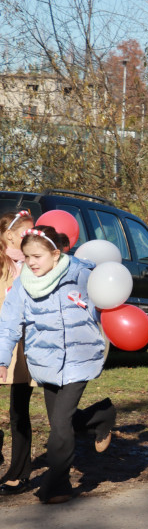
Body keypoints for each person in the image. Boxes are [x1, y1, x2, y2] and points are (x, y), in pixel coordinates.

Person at [0, 225, 116, 504]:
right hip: (46, 361)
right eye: (27, 256)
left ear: (55, 253)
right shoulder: (23, 284)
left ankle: (59, 485)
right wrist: (2, 360)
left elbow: (107, 303)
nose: (31, 262)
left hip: (80, 356)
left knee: (60, 424)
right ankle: (102, 414)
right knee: (62, 421)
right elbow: (9, 323)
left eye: (37, 256)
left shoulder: (82, 274)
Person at [0, 210, 36, 497]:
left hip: (23, 346)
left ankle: (19, 472)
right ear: (10, 234)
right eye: (26, 232)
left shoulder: (30, 264)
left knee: (18, 410)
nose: (31, 237)